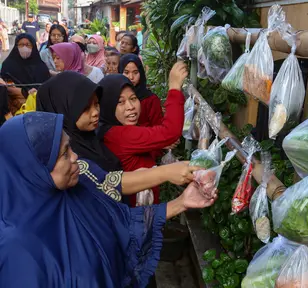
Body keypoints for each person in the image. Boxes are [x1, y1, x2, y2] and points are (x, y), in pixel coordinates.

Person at [0, 111, 217, 287]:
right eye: (64, 154)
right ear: (35, 169)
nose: (75, 157)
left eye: (71, 147)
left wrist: (181, 202)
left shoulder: (77, 192)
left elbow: (121, 222)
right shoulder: (16, 249)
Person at [36, 71, 199, 200]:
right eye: (85, 108)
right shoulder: (70, 153)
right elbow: (107, 182)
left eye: (96, 104)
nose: (95, 113)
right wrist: (166, 173)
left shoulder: (90, 136)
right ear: (65, 108)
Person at [98, 62, 187, 206]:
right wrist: (175, 89)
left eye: (133, 99)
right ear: (107, 106)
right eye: (120, 102)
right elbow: (170, 132)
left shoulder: (109, 130)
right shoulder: (120, 135)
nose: (130, 107)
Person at [0, 34, 50, 114]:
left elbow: (46, 88)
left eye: (27, 45)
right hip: (13, 107)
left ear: (33, 46)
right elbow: (4, 86)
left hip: (36, 107)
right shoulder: (8, 65)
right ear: (16, 46)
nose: (24, 48)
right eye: (21, 45)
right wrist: (23, 92)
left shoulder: (41, 67)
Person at [119, 53, 163, 128]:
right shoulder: (115, 96)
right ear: (119, 72)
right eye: (126, 72)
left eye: (135, 72)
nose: (131, 77)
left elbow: (158, 128)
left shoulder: (151, 100)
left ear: (141, 73)